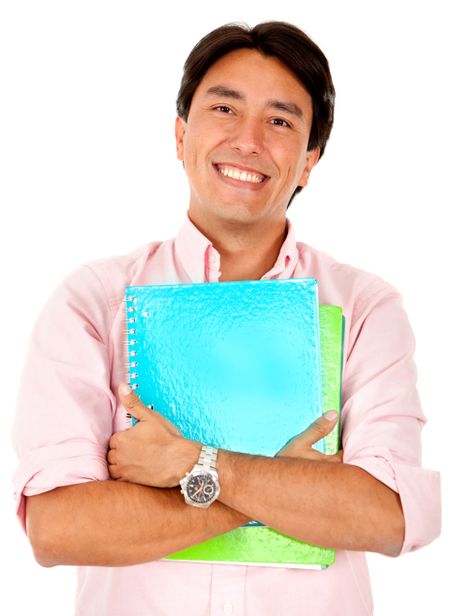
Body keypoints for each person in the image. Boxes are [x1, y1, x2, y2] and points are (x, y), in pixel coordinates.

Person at [12, 20, 440, 616]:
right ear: (181, 133)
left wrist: (194, 466)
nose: (248, 141)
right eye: (224, 109)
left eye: (282, 121)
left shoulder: (366, 307)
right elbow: (58, 529)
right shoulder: (94, 301)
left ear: (310, 161)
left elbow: (387, 516)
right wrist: (285, 485)